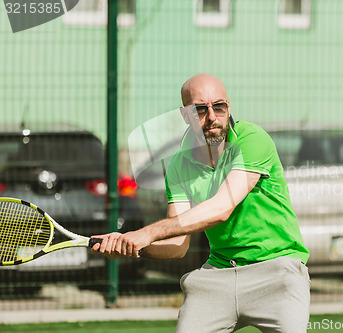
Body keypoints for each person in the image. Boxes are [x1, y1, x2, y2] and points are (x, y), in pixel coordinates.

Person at [92, 73, 310, 333]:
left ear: (228, 106)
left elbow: (221, 209)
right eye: (200, 110)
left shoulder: (253, 139)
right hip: (218, 275)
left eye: (219, 106)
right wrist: (134, 245)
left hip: (278, 271)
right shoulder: (179, 165)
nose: (212, 117)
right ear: (185, 115)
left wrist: (146, 233)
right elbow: (177, 245)